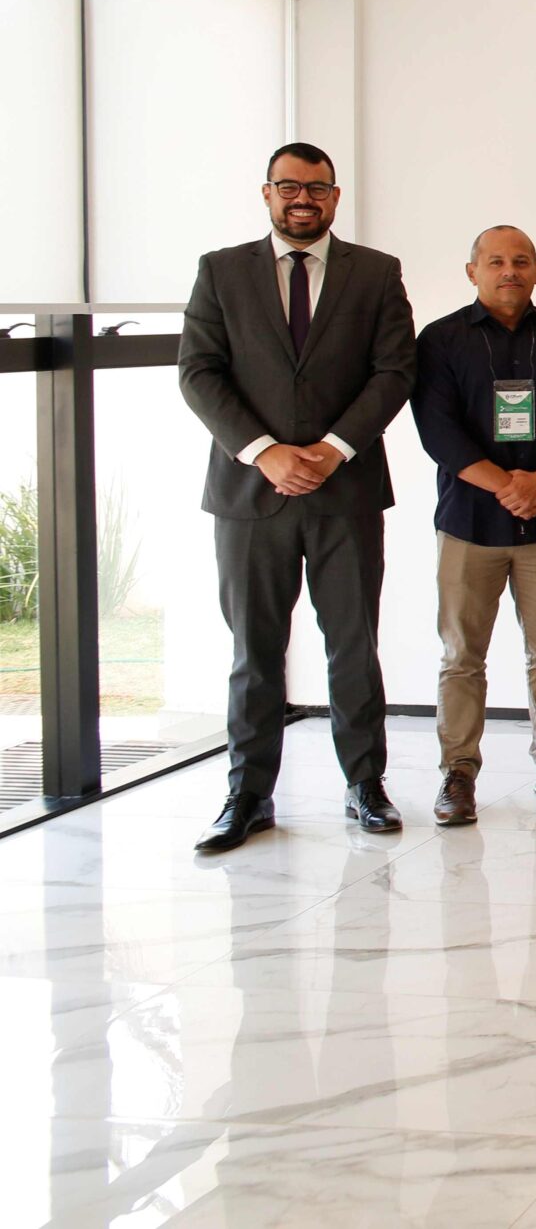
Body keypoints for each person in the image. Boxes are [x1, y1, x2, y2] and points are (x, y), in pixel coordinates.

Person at [178, 143, 417, 853]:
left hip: (345, 491)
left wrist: (333, 448)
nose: (302, 198)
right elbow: (199, 373)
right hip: (250, 494)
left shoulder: (376, 273)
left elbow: (395, 370)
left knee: (353, 643)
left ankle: (365, 784)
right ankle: (247, 795)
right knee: (255, 650)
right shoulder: (220, 271)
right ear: (267, 193)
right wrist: (266, 451)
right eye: (289, 186)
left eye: (316, 187)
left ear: (336, 197)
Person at [412, 224, 536, 824]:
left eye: (521, 261)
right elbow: (437, 431)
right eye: (495, 261)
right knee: (461, 656)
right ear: (471, 271)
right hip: (470, 524)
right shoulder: (441, 340)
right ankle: (458, 775)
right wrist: (508, 485)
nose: (510, 271)